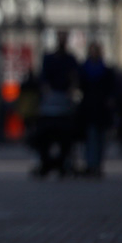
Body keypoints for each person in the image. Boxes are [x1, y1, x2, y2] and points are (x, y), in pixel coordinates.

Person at [30, 31, 79, 177]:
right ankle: (47, 163)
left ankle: (61, 164)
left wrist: (72, 89)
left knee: (65, 139)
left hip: (63, 104)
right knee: (44, 138)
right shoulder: (50, 59)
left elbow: (74, 77)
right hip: (51, 104)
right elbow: (44, 78)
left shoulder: (70, 59)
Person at [76, 42, 115, 177]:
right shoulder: (85, 69)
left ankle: (96, 164)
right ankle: (91, 164)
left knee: (100, 139)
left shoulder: (105, 70)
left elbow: (111, 90)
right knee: (90, 137)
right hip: (89, 109)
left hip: (101, 109)